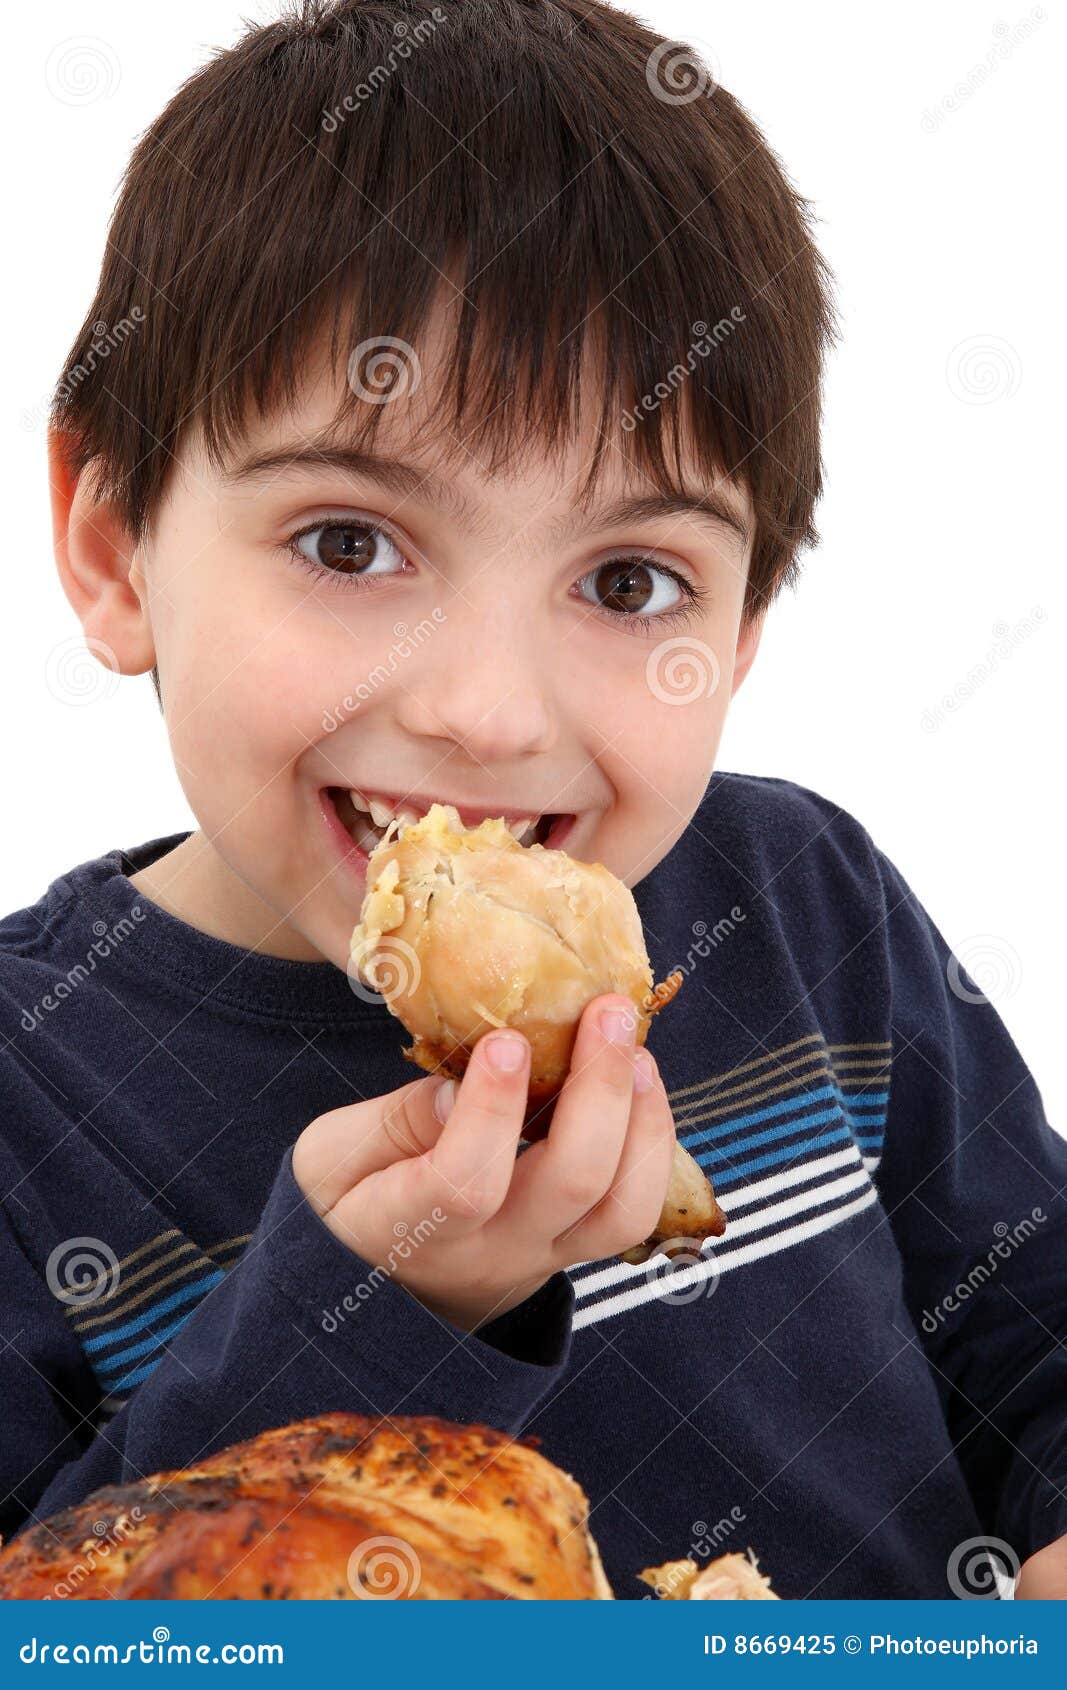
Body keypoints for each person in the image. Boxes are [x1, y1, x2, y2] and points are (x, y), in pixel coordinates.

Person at [2, 0, 1063, 1600]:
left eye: (632, 579)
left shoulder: (810, 908)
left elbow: (1036, 1346)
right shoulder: (33, 1104)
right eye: (350, 543)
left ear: (742, 633)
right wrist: (374, 1311)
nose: (488, 715)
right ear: (111, 544)